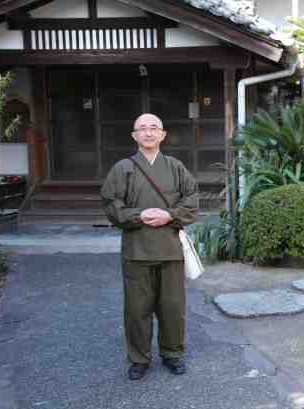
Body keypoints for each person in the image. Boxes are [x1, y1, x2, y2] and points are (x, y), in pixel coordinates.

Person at [100, 113, 199, 380]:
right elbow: (110, 203)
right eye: (142, 128)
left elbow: (192, 199)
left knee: (172, 306)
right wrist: (137, 216)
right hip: (137, 248)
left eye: (154, 128)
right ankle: (138, 357)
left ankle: (172, 353)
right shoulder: (123, 168)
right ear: (134, 136)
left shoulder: (175, 166)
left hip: (170, 248)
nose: (148, 132)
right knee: (137, 308)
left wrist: (170, 215)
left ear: (163, 135)